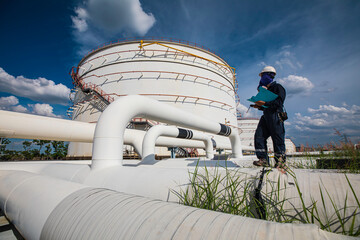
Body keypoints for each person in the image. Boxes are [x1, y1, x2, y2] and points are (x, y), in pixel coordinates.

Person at [252, 66, 287, 168]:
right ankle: (263, 159)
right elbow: (266, 106)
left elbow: (279, 103)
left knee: (277, 137)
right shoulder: (264, 91)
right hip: (266, 115)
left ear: (268, 75)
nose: (261, 78)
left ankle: (280, 161)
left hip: (275, 114)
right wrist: (259, 106)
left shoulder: (278, 88)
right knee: (259, 136)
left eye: (262, 76)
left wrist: (265, 102)